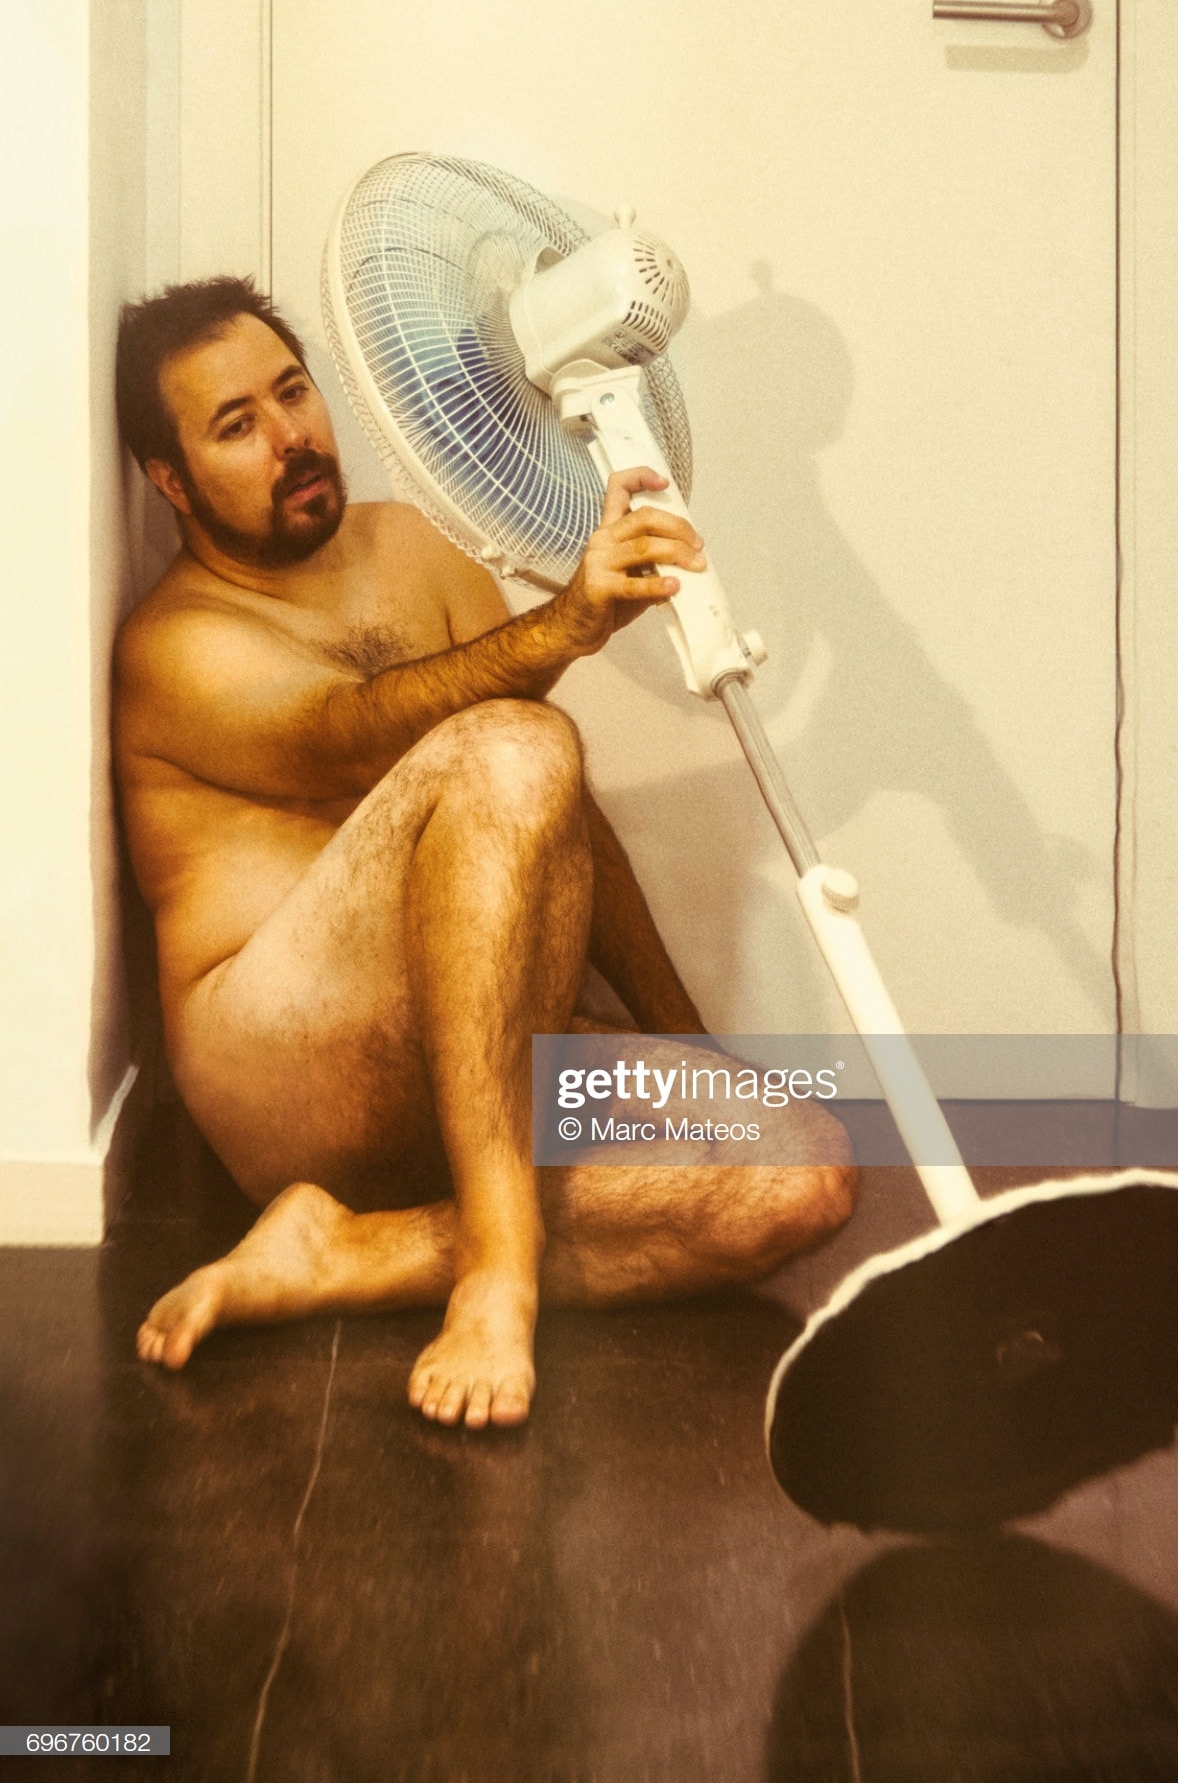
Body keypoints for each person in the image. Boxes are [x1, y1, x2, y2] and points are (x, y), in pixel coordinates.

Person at [112, 277, 856, 1431]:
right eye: (235, 425)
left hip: (480, 1051)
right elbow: (344, 732)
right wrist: (567, 621)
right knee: (514, 737)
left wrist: (682, 1040)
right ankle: (494, 1268)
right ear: (170, 480)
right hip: (294, 1070)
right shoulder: (177, 643)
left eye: (292, 393)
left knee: (799, 1168)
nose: (291, 437)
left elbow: (560, 819)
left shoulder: (406, 541)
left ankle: (353, 1247)